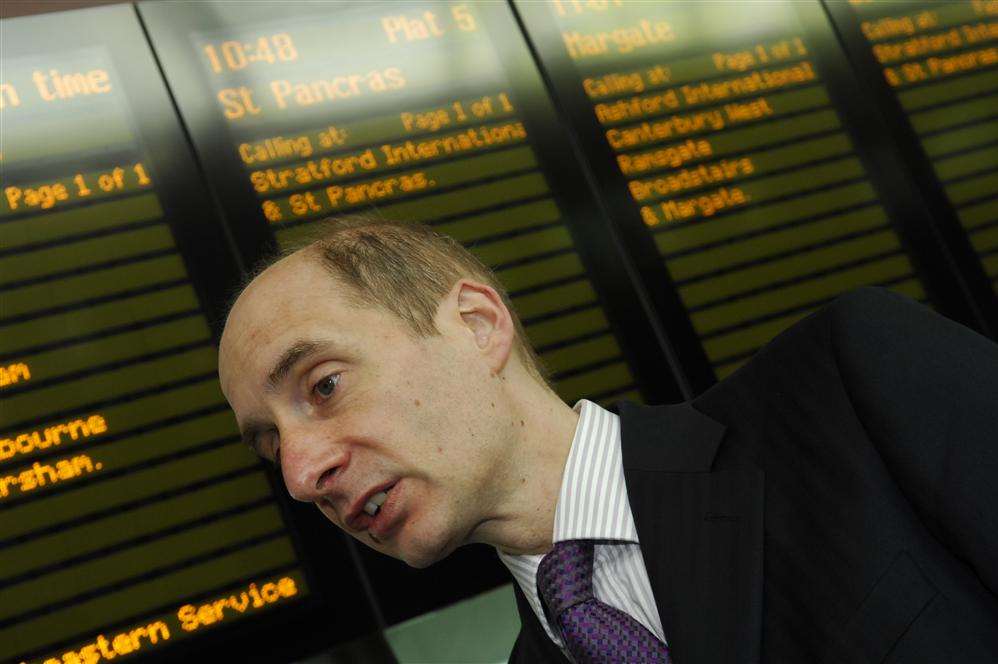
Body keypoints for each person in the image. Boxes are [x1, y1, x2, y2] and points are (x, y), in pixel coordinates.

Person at [218, 216, 998, 663]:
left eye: (323, 386)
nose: (299, 472)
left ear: (477, 327)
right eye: (269, 447)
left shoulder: (851, 389)